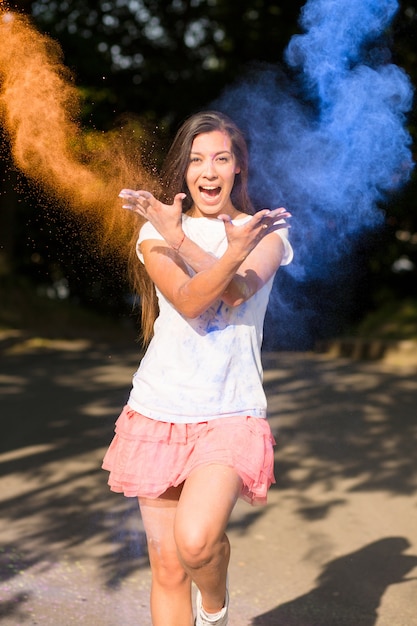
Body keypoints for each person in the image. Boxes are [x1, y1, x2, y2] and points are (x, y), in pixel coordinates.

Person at [102, 110, 293, 626]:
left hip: (230, 413)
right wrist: (177, 235)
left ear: (238, 170)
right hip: (158, 411)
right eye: (196, 159)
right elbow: (189, 301)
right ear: (184, 171)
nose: (208, 170)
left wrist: (208, 246)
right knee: (167, 569)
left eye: (221, 159)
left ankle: (215, 608)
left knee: (197, 542)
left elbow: (233, 293)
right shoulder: (155, 231)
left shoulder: (265, 235)